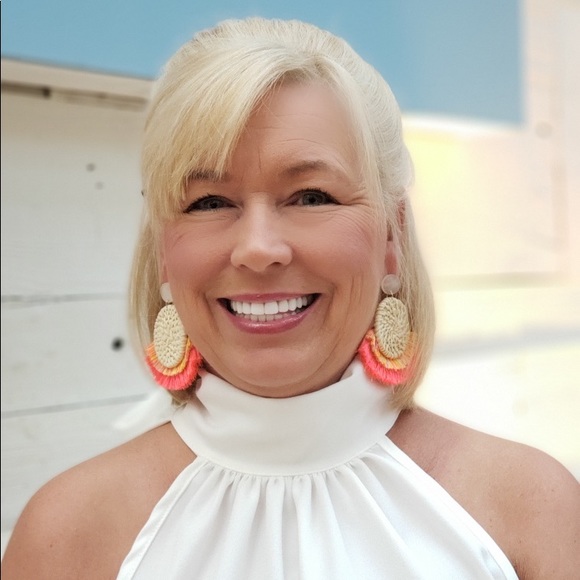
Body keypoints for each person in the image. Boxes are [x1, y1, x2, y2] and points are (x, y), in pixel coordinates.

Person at [2, 17, 579, 580]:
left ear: (391, 237)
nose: (259, 249)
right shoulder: (67, 535)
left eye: (310, 196)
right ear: (163, 254)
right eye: (209, 202)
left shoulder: (531, 512)